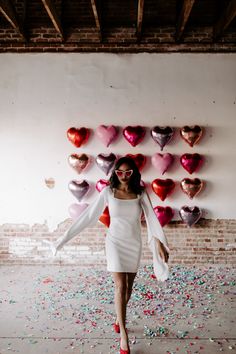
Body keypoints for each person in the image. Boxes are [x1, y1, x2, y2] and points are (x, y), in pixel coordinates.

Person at [46, 156, 170, 354]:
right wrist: (60, 241)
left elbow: (152, 219)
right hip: (114, 243)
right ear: (115, 173)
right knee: (120, 286)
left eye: (128, 172)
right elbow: (87, 217)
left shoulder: (140, 193)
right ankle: (123, 335)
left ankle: (117, 319)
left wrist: (160, 243)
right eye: (119, 172)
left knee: (129, 288)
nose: (123, 176)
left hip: (133, 243)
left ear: (134, 174)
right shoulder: (108, 192)